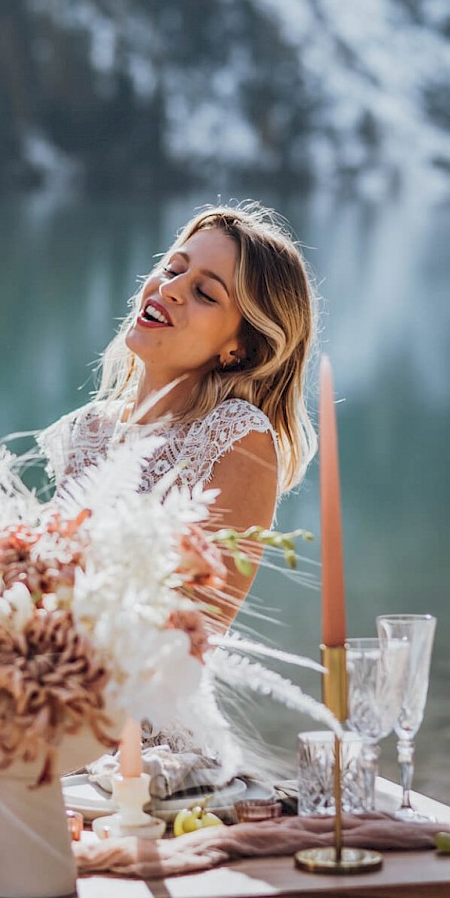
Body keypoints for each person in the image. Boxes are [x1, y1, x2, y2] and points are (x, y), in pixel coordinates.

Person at [39, 202, 316, 625]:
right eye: (172, 270)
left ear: (240, 349)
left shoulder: (237, 437)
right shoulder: (89, 429)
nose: (169, 289)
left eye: (206, 293)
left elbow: (194, 634)